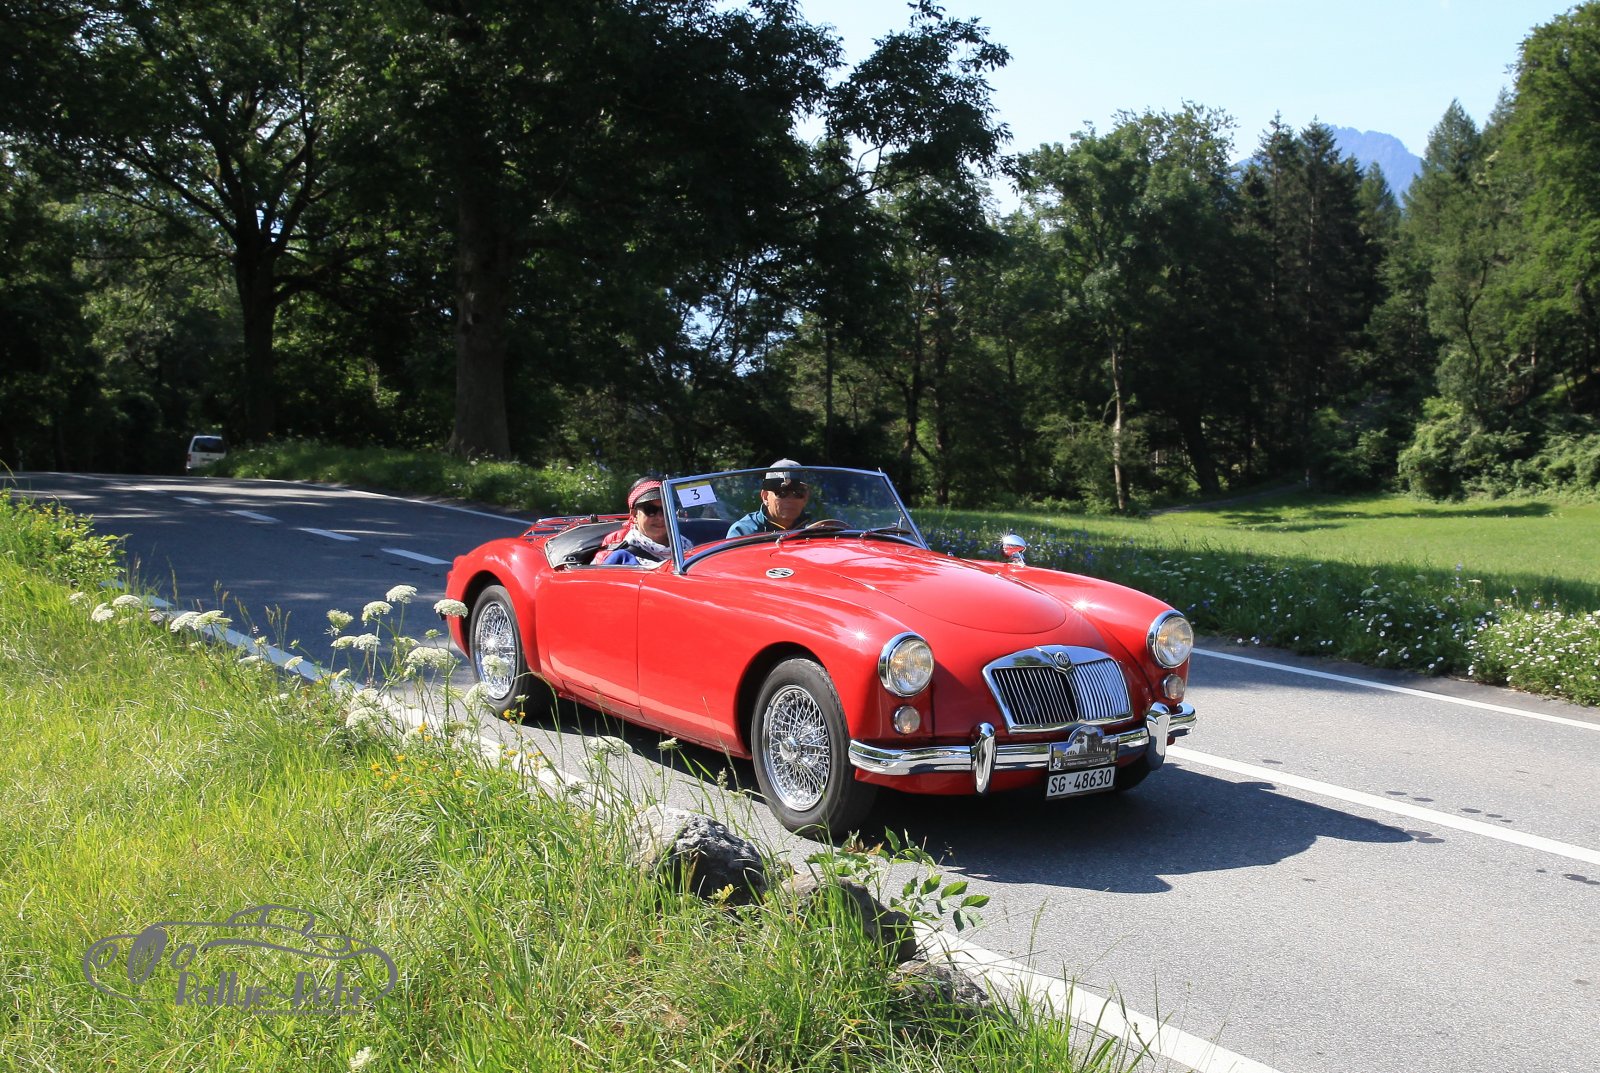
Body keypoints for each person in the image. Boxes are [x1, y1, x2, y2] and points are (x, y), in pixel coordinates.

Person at [595, 478, 691, 566]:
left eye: (666, 509)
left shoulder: (690, 546)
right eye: (650, 510)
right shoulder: (620, 559)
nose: (660, 518)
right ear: (634, 515)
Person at [727, 459, 813, 537]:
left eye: (798, 492)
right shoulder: (743, 532)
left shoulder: (815, 529)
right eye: (782, 492)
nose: (790, 499)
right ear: (765, 497)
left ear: (806, 497)